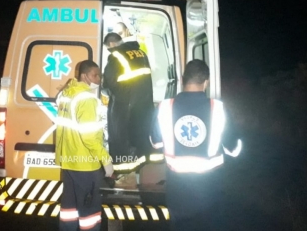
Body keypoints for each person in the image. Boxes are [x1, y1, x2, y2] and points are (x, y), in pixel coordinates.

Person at [150, 59, 242, 231]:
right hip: (209, 190)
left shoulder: (164, 108)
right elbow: (234, 150)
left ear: (183, 79)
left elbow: (155, 142)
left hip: (178, 190)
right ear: (206, 82)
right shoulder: (219, 109)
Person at [55, 60, 114, 231]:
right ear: (84, 76)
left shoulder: (67, 93)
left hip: (68, 162)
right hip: (85, 164)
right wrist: (106, 160)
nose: (98, 79)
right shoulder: (87, 98)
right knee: (89, 213)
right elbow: (89, 136)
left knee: (69, 210)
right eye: (95, 75)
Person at [102, 32, 154, 186]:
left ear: (111, 45)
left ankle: (124, 179)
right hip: (144, 108)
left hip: (125, 110)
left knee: (122, 143)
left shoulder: (116, 57)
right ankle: (139, 176)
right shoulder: (141, 53)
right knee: (141, 144)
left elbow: (108, 84)